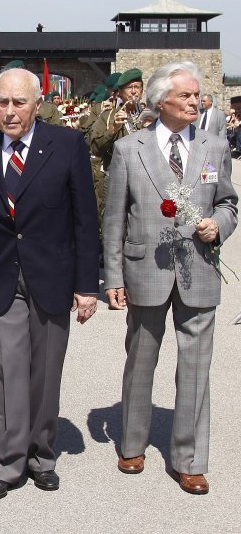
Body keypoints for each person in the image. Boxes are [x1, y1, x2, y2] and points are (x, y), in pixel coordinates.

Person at [102, 61, 238, 495]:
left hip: (199, 269)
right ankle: (133, 442)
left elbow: (230, 203)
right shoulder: (129, 149)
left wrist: (219, 224)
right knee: (141, 360)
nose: (195, 102)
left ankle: (190, 458)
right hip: (146, 269)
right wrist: (113, 277)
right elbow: (114, 220)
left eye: (197, 96)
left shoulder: (214, 147)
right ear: (161, 101)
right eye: (186, 96)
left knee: (196, 366)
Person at [0, 68, 100, 500]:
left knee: (45, 372)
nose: (9, 112)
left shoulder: (67, 145)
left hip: (53, 276)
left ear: (37, 104)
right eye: (2, 102)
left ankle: (42, 454)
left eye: (18, 103)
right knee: (10, 370)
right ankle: (6, 462)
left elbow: (84, 219)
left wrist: (87, 284)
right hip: (2, 277)